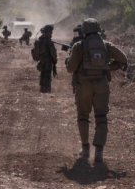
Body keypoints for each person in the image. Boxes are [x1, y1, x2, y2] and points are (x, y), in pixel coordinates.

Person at [66, 18, 127, 165]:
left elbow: (70, 69)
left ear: (84, 30)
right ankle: (99, 150)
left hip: (84, 85)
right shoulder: (106, 45)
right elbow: (123, 60)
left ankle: (85, 148)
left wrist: (68, 60)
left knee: (83, 117)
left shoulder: (79, 46)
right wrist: (107, 67)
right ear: (98, 29)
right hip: (102, 85)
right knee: (101, 117)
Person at [32, 24, 58, 93]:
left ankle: (43, 90)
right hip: (47, 62)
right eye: (50, 32)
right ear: (47, 32)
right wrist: (55, 61)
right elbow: (53, 54)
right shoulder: (47, 42)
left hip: (43, 62)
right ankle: (46, 90)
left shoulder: (40, 41)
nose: (51, 33)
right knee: (47, 76)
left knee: (44, 75)